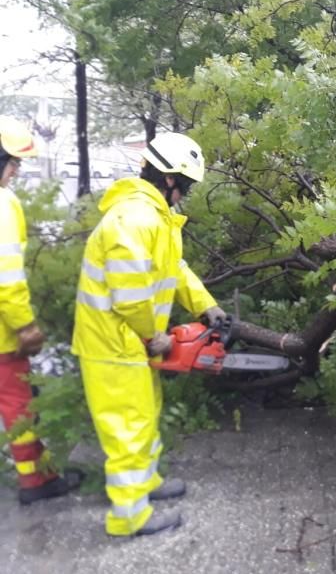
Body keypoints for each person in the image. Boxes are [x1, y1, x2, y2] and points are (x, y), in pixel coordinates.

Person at [72, 132, 225, 536]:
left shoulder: (154, 217)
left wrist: (206, 305)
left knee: (145, 415)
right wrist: (152, 334)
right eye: (186, 185)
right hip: (112, 344)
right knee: (128, 428)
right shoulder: (134, 219)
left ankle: (146, 483)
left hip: (129, 343)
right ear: (169, 179)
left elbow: (174, 269)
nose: (186, 193)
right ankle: (129, 517)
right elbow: (130, 294)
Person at [0, 116, 83, 504]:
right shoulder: (2, 204)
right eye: (13, 162)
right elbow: (7, 282)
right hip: (3, 338)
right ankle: (37, 482)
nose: (16, 171)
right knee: (21, 406)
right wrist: (25, 327)